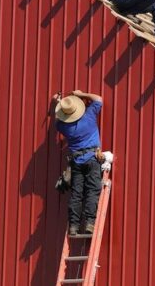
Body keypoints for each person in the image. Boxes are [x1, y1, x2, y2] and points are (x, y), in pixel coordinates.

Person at [52, 90, 105, 236]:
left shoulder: (63, 127)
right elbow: (98, 99)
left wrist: (60, 103)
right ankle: (89, 223)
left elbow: (58, 119)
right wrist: (82, 94)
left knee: (76, 194)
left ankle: (74, 226)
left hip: (76, 162)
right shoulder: (89, 117)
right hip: (92, 158)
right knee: (92, 191)